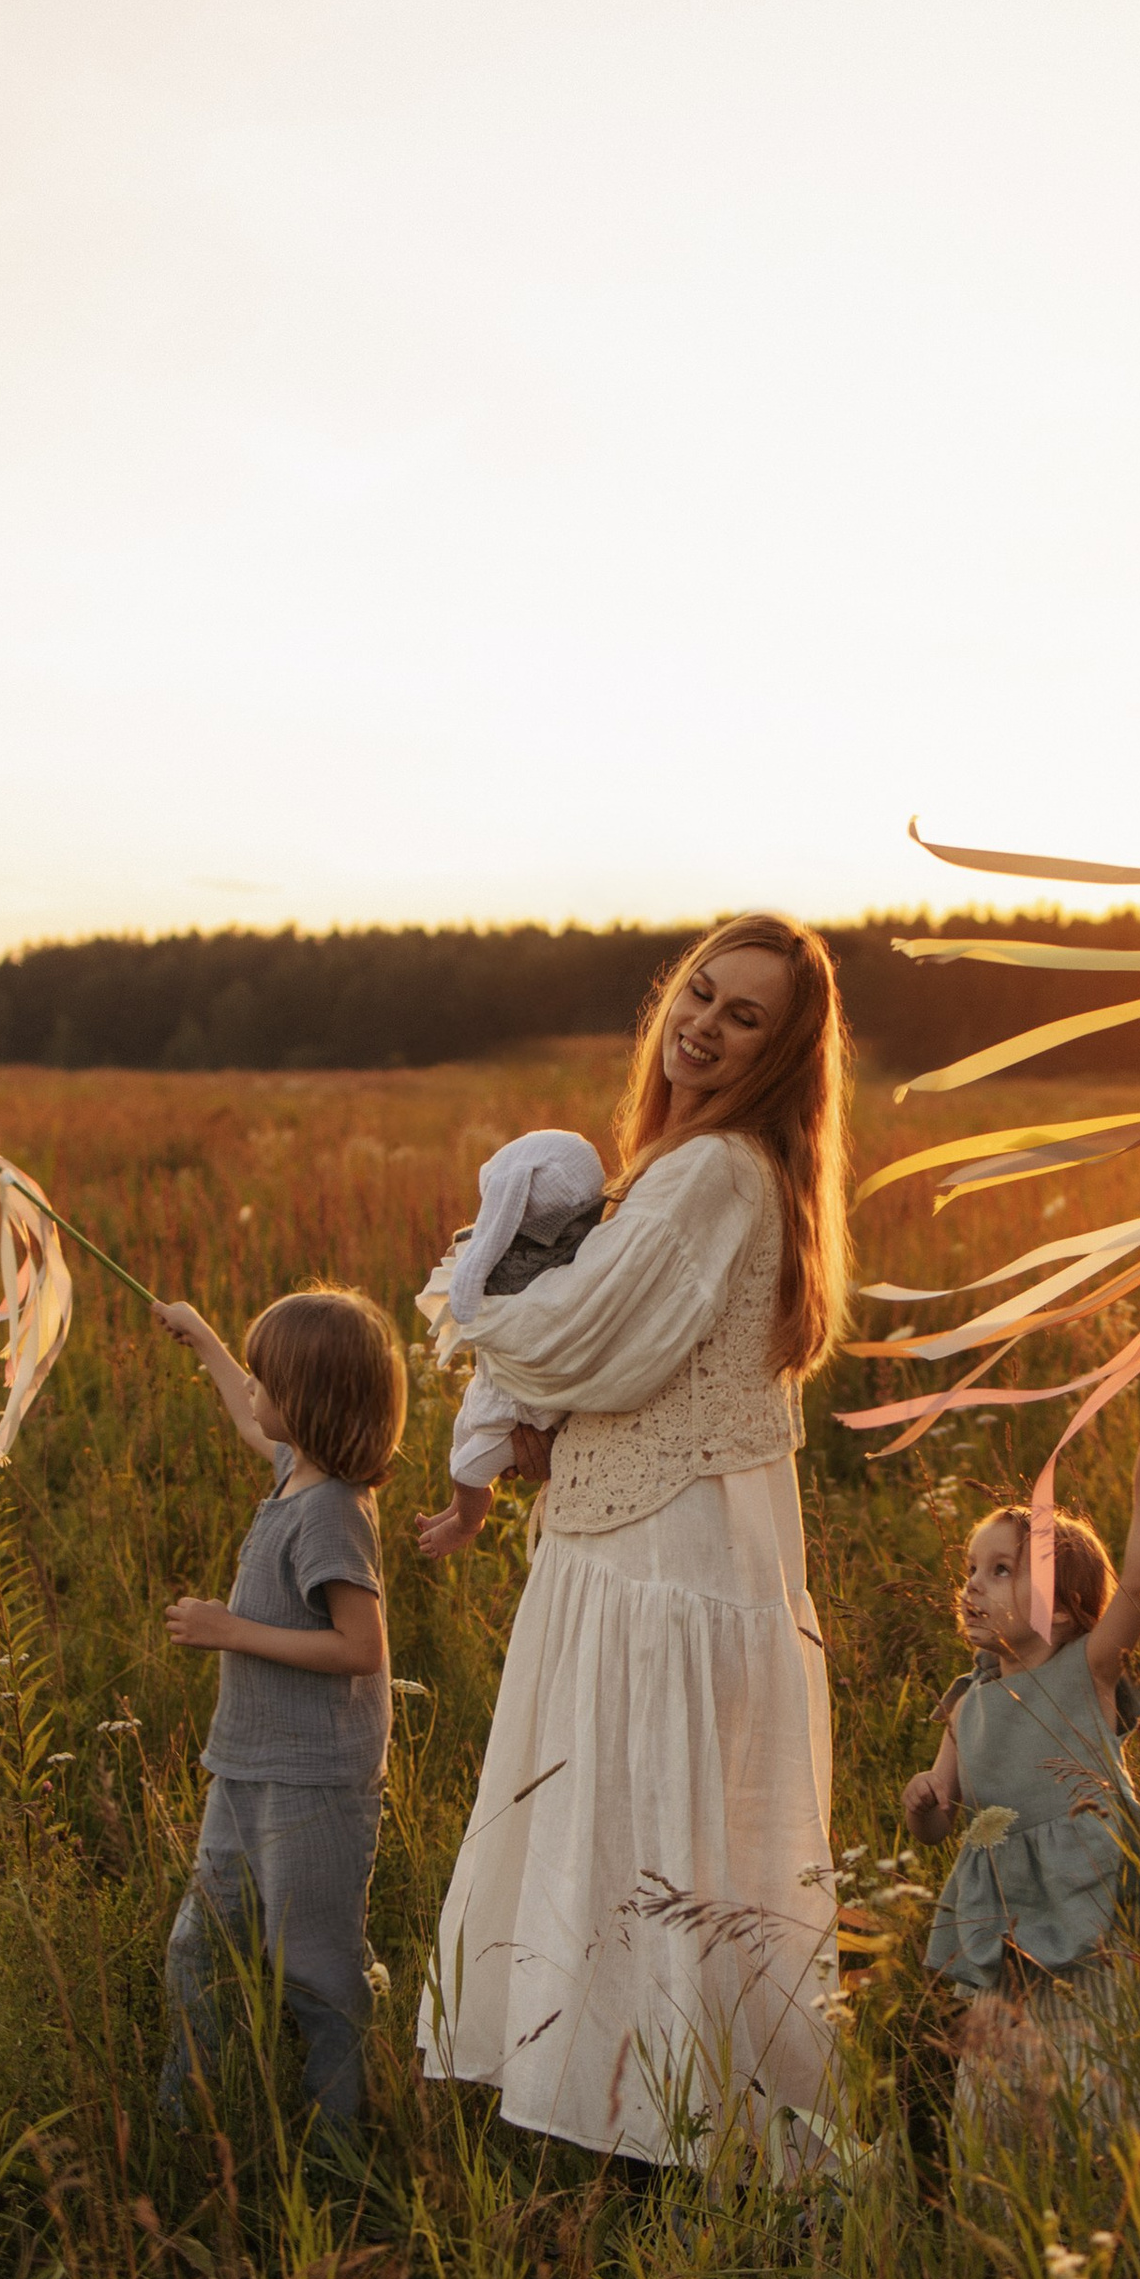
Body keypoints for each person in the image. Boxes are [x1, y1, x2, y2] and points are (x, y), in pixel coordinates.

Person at [419, 916, 851, 2171]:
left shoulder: (712, 1170)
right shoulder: (699, 1164)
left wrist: (472, 1293)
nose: (703, 1026)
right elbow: (632, 1360)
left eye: (742, 1016)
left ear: (780, 1052)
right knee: (637, 1823)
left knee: (639, 1827)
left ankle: (654, 2121)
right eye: (698, 994)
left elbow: (579, 1342)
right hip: (640, 1543)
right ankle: (625, 2107)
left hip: (664, 1559)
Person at [149, 1281, 406, 2142]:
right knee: (200, 1947)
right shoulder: (298, 1471)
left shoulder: (332, 1514)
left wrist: (230, 1630)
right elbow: (245, 1411)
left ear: (308, 1403)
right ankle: (186, 2116)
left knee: (316, 1968)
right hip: (246, 1766)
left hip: (315, 1781)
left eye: (267, 1379)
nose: (251, 1389)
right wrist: (201, 1336)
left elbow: (360, 1646)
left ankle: (340, 2140)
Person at [902, 1421, 1140, 2152]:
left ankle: (1102, 2187)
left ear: (1060, 1608)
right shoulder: (966, 1704)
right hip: (1003, 1932)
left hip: (1092, 1923)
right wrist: (924, 1803)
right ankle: (1000, 2194)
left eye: (1002, 1570)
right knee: (997, 2099)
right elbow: (940, 1824)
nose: (972, 1583)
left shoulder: (1086, 1670)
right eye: (971, 1568)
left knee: (1093, 2083)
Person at [414, 1127, 610, 1560]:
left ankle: (468, 1522)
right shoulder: (556, 1241)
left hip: (522, 1409)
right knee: (460, 1435)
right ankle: (459, 1505)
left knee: (468, 1468)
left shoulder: (561, 1254)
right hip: (494, 1388)